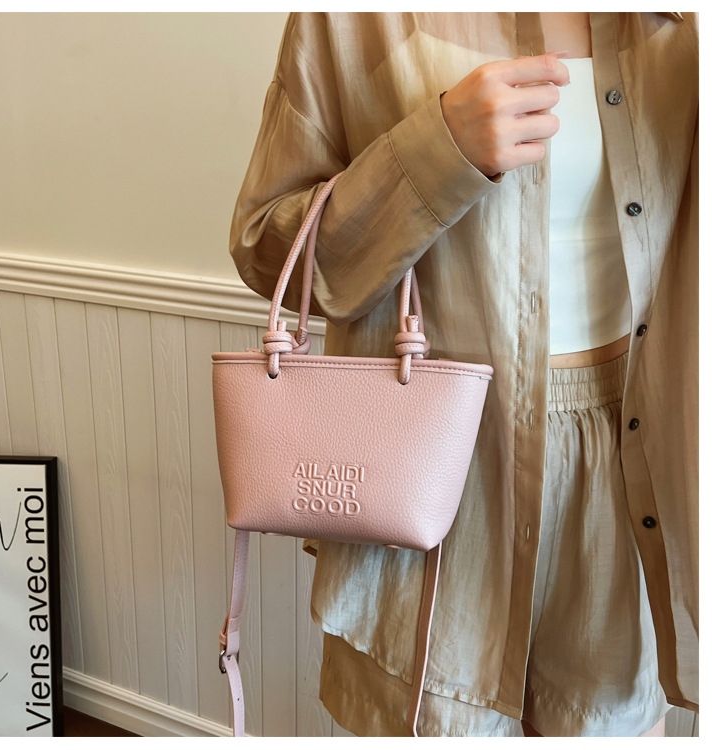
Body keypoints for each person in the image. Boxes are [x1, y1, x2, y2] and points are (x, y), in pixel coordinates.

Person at [228, 12, 698, 737]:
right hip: (431, 456)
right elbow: (268, 248)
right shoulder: (354, 19)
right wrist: (436, 152)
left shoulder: (684, 29)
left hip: (636, 462)